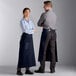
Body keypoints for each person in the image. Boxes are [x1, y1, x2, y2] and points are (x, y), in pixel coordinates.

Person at [35, 1, 58, 73]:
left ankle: (42, 69)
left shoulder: (44, 14)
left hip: (46, 32)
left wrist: (43, 25)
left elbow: (38, 23)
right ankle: (52, 69)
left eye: (44, 6)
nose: (43, 7)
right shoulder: (55, 14)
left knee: (43, 50)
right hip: (53, 33)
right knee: (52, 51)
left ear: (48, 6)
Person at [16, 8, 36, 75]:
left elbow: (34, 29)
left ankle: (27, 69)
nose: (27, 13)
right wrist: (31, 30)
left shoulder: (30, 21)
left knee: (29, 54)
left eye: (28, 12)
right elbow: (25, 30)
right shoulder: (22, 21)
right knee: (23, 53)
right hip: (25, 39)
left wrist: (31, 30)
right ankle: (18, 70)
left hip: (30, 39)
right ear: (23, 13)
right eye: (26, 12)